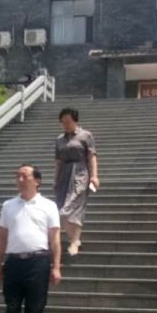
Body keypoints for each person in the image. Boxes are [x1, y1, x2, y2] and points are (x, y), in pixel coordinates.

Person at [0, 165, 62, 313]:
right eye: (18, 176)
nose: (20, 179)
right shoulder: (8, 205)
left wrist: (56, 266)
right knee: (11, 310)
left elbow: (55, 238)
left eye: (25, 176)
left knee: (35, 308)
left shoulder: (48, 206)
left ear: (37, 181)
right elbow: (2, 237)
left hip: (38, 262)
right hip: (14, 263)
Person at [53, 107, 99, 258]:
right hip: (64, 175)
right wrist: (56, 179)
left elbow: (91, 156)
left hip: (80, 173)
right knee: (61, 210)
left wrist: (94, 176)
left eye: (68, 121)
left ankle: (74, 242)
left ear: (75, 120)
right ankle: (75, 239)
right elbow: (58, 161)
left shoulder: (86, 136)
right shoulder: (59, 139)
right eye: (63, 122)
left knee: (74, 208)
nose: (65, 125)